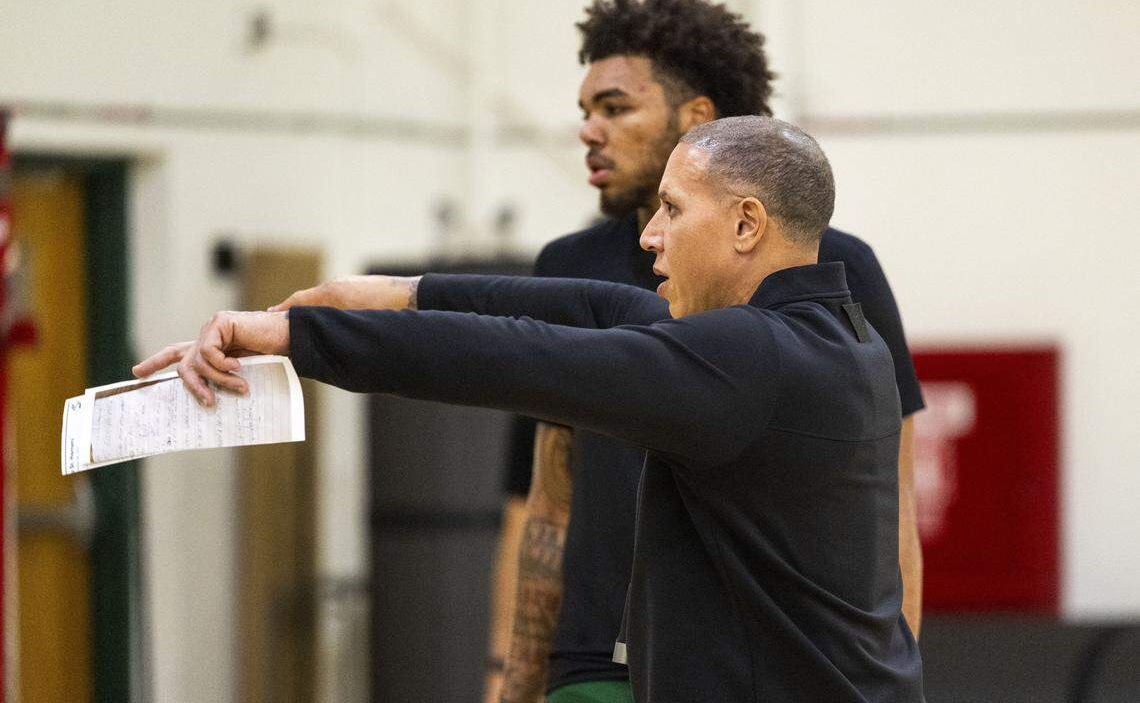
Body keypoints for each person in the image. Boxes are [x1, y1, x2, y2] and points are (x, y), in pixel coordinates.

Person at [135, 115, 925, 703]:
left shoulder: (751, 361)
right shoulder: (843, 340)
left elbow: (522, 358)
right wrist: (393, 294)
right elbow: (592, 309)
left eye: (674, 211)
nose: (650, 236)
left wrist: (298, 338)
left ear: (747, 223)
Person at [487, 0, 925, 703]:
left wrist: (882, 677)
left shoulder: (838, 270)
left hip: (761, 667)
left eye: (616, 108)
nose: (588, 131)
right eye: (585, 111)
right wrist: (511, 679)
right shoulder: (568, 268)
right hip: (594, 668)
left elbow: (893, 510)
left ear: (696, 119)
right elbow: (546, 502)